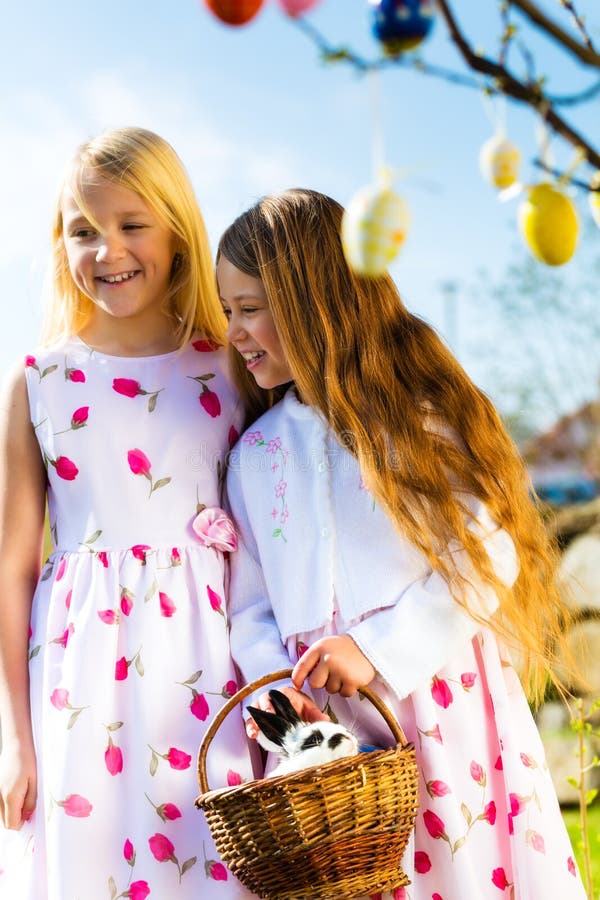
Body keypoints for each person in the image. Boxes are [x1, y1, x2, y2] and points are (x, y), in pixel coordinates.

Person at [219, 188, 586, 899]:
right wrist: (278, 696)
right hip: (326, 736)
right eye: (228, 311)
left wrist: (378, 649)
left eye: (251, 307)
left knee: (461, 870)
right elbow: (251, 602)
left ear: (316, 297)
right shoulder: (255, 454)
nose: (235, 330)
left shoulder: (419, 419)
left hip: (437, 708)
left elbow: (486, 556)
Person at [0, 127, 258, 899]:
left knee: (216, 866)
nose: (107, 250)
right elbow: (12, 570)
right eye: (84, 230)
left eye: (131, 225)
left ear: (177, 232)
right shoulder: (40, 382)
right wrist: (14, 738)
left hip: (216, 664)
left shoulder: (231, 363)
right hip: (78, 679)